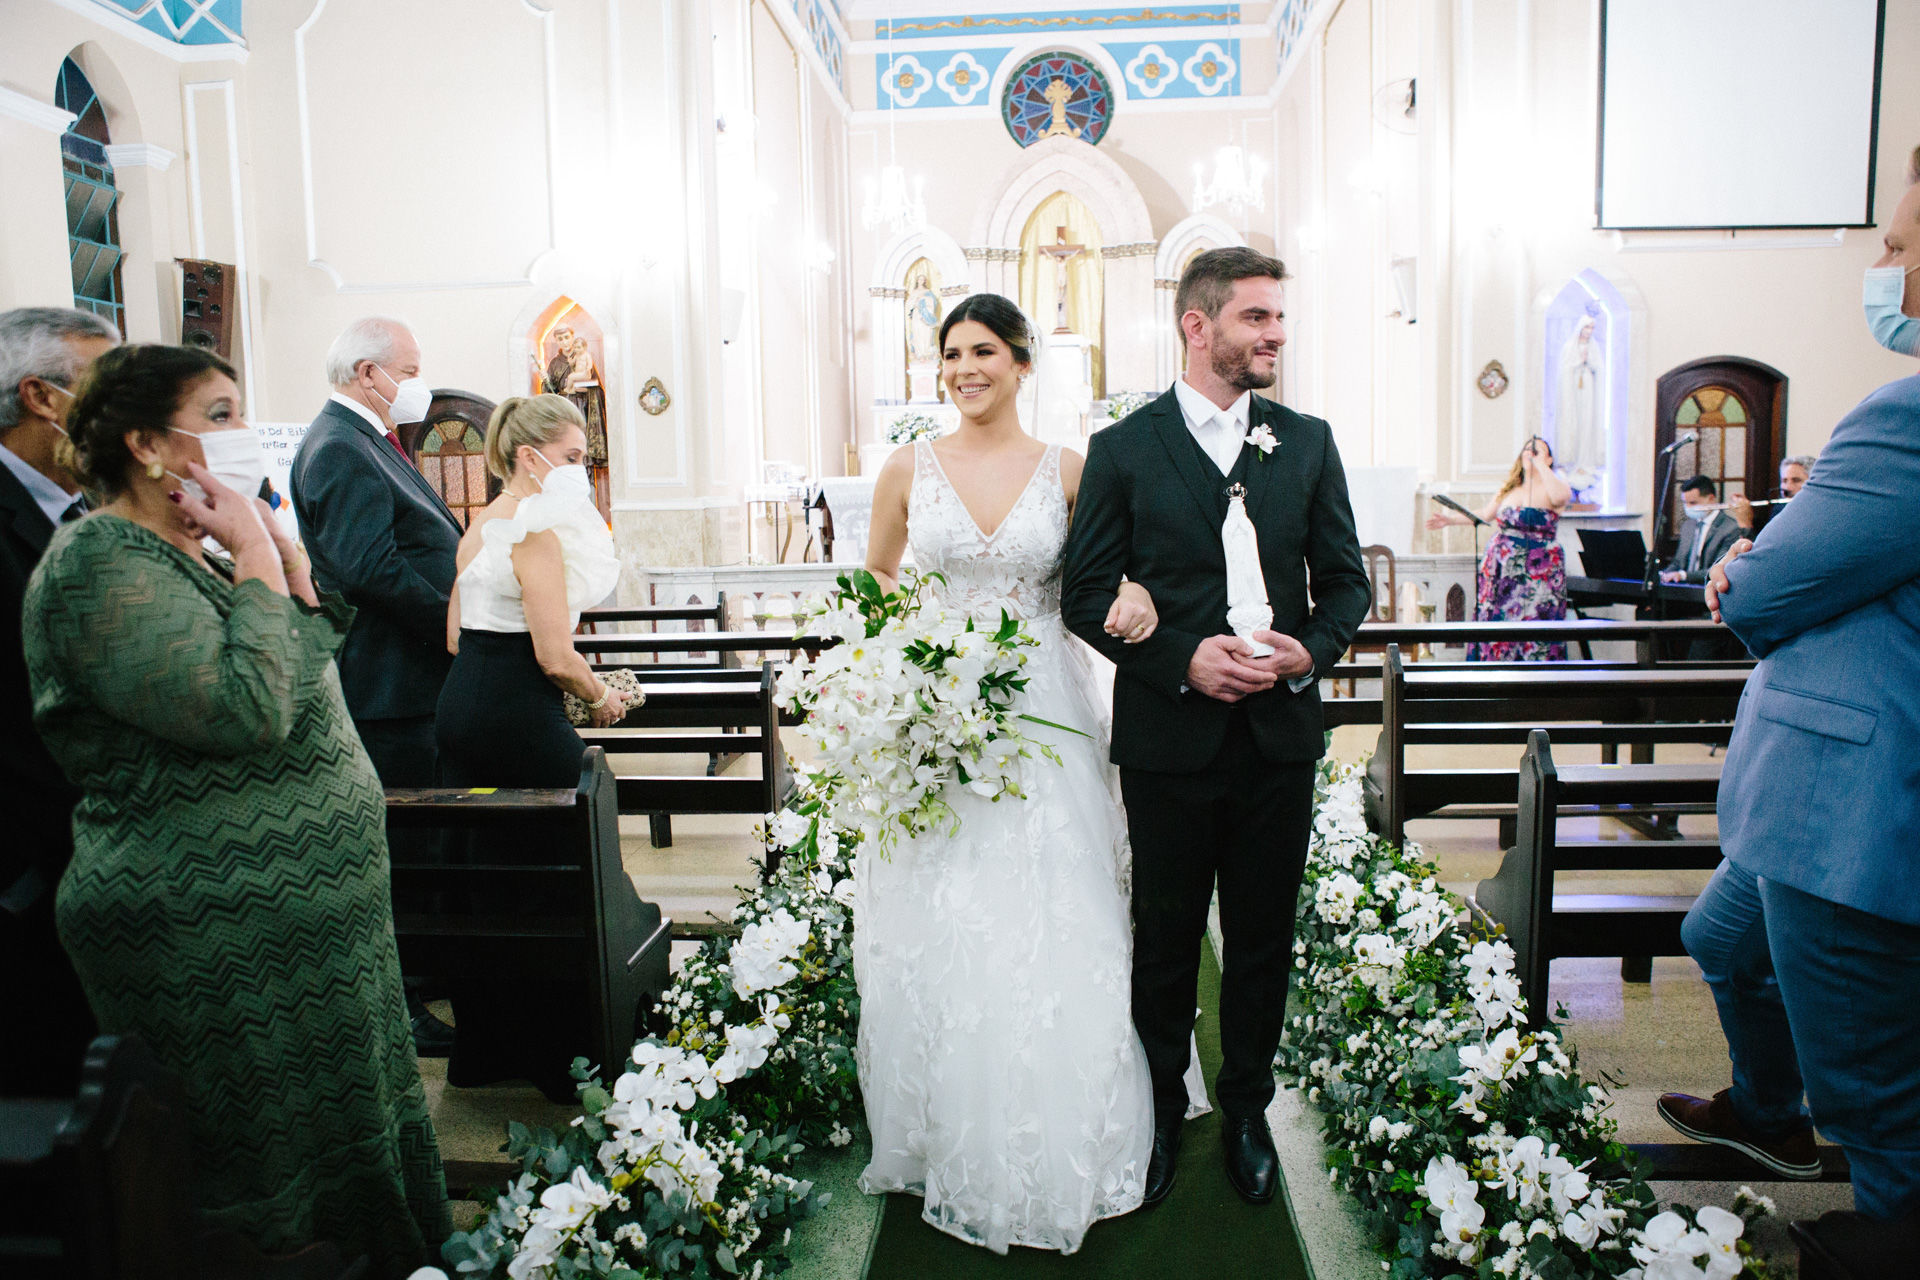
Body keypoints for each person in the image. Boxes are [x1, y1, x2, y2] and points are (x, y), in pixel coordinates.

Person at [21, 343, 450, 1273]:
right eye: (218, 415)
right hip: (212, 929)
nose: (243, 434)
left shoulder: (190, 555)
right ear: (145, 444)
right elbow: (244, 708)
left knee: (355, 1131)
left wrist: (278, 560)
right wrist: (256, 549)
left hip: (308, 925)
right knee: (264, 1164)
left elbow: (301, 659)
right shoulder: (99, 560)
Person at [857, 293, 1177, 1254]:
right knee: (950, 900)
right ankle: (947, 1115)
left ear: (1023, 362)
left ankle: (1067, 1109)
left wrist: (1131, 593)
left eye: (984, 351)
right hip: (940, 712)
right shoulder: (905, 468)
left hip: (1046, 705)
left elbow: (1110, 575)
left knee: (1058, 896)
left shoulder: (1072, 470)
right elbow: (874, 585)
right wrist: (891, 680)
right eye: (950, 353)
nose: (964, 368)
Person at [1063, 247, 1371, 1213]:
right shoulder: (1123, 449)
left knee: (1263, 935)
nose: (1276, 334)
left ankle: (1245, 1108)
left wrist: (1306, 652)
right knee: (1163, 939)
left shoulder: (1307, 442)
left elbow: (1348, 583)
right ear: (1197, 327)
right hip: (1170, 742)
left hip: (1278, 738)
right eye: (1257, 319)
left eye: (1279, 319)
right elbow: (1081, 593)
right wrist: (1179, 658)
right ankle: (1159, 1108)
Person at [1700, 174, 1920, 1266]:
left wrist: (1750, 562)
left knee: (1874, 1082)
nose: (1880, 267)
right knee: (1721, 938)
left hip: (1850, 801)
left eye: (1894, 243)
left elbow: (1769, 592)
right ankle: (1764, 1102)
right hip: (1808, 794)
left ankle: (1889, 1226)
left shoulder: (1907, 416)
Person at [434, 393, 632, 1099]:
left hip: (463, 702)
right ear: (530, 456)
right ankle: (564, 1053)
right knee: (570, 859)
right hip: (517, 704)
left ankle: (488, 1049)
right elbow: (553, 653)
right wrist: (602, 696)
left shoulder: (480, 526)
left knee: (485, 874)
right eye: (575, 458)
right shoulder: (536, 534)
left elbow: (456, 634)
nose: (582, 470)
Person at [291, 316, 463, 1055]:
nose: (418, 383)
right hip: (391, 687)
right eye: (411, 369)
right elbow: (368, 568)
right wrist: (455, 624)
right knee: (404, 852)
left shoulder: (366, 440)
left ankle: (429, 969)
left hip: (412, 681)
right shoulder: (338, 447)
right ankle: (403, 1003)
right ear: (369, 373)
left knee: (427, 845)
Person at [0, 306, 117, 1096]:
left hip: (93, 861)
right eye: (111, 389)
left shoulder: (85, 510)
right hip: (29, 870)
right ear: (43, 398)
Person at [1428, 436, 1571, 661]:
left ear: (1550, 459)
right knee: (1499, 620)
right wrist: (1449, 520)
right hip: (1501, 571)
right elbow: (1485, 515)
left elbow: (1561, 497)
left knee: (1537, 622)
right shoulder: (1510, 489)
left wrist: (1541, 465)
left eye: (1538, 451)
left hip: (1540, 573)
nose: (1530, 454)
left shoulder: (1555, 488)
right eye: (1527, 450)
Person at [1660, 474, 1741, 585]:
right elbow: (1678, 561)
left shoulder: (1730, 528)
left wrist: (1683, 576)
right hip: (1682, 589)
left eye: (1693, 503)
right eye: (1685, 503)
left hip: (1709, 588)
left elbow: (1719, 568)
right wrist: (1664, 575)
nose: (1688, 507)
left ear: (1711, 499)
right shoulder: (1688, 526)